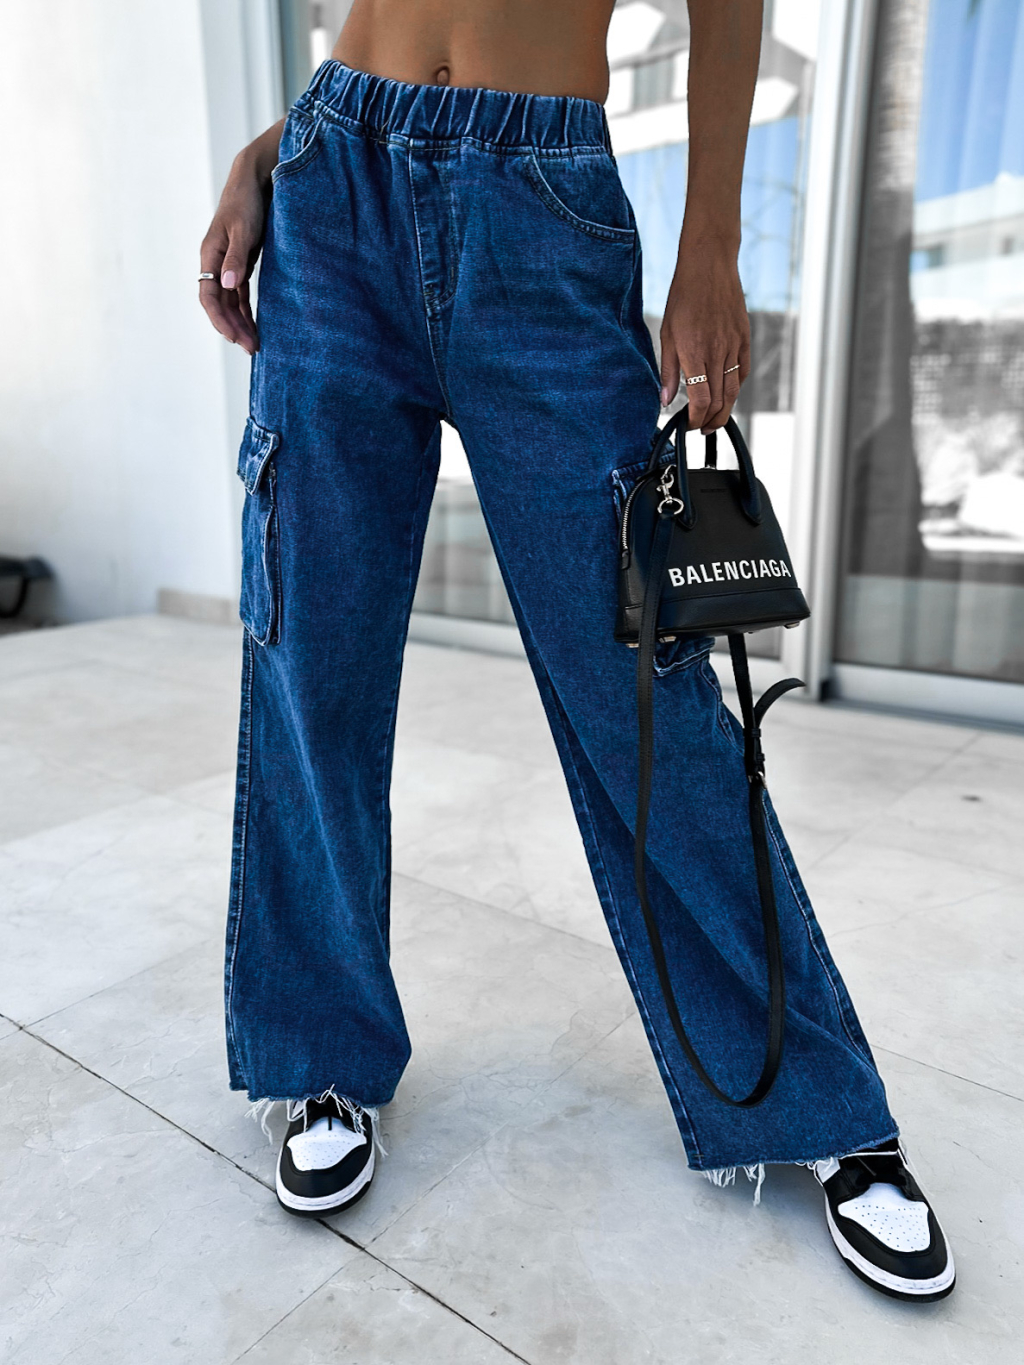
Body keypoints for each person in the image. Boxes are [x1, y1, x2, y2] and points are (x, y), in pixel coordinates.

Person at [198, 0, 954, 1302]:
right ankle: (317, 1053)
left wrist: (710, 244)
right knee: (309, 656)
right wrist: (276, 145)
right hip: (336, 184)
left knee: (643, 686)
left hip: (537, 199)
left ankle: (810, 1093)